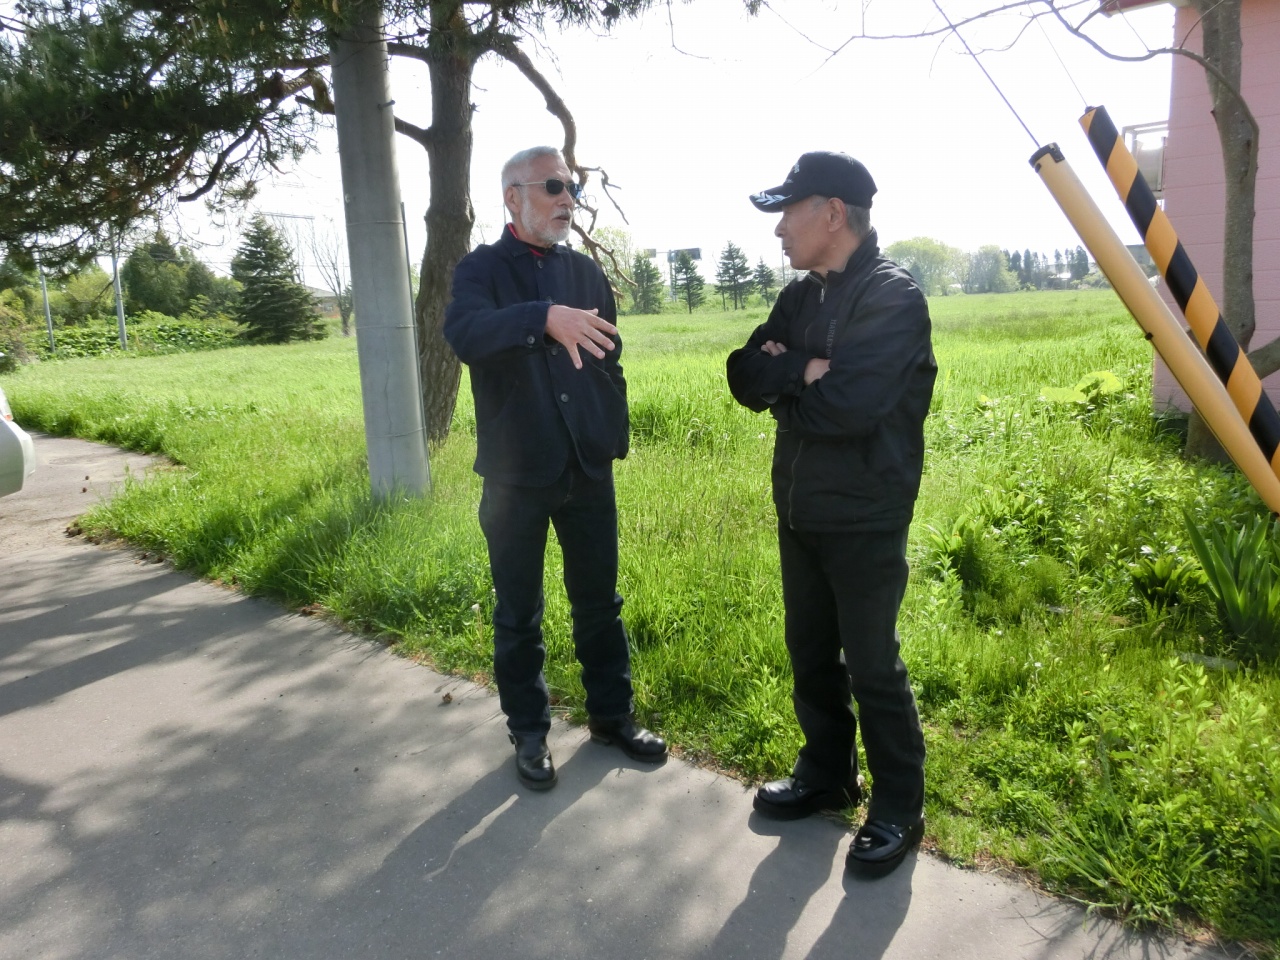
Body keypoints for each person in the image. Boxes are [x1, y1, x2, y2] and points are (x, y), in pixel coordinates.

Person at [726, 151, 937, 876]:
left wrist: (789, 384)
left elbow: (849, 408)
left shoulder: (893, 298)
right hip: (800, 507)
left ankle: (899, 805)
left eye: (789, 211)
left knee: (871, 663)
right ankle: (826, 774)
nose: (779, 228)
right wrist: (800, 369)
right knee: (810, 650)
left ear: (834, 214)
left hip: (866, 513)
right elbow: (741, 374)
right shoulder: (802, 296)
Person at [444, 145, 666, 791]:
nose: (568, 198)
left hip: (587, 468)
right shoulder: (480, 271)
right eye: (553, 187)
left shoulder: (586, 273)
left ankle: (612, 718)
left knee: (600, 602)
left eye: (572, 188)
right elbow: (465, 335)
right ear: (513, 197)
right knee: (520, 612)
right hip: (516, 476)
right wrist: (541, 317)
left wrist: (610, 433)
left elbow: (609, 359)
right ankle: (530, 731)